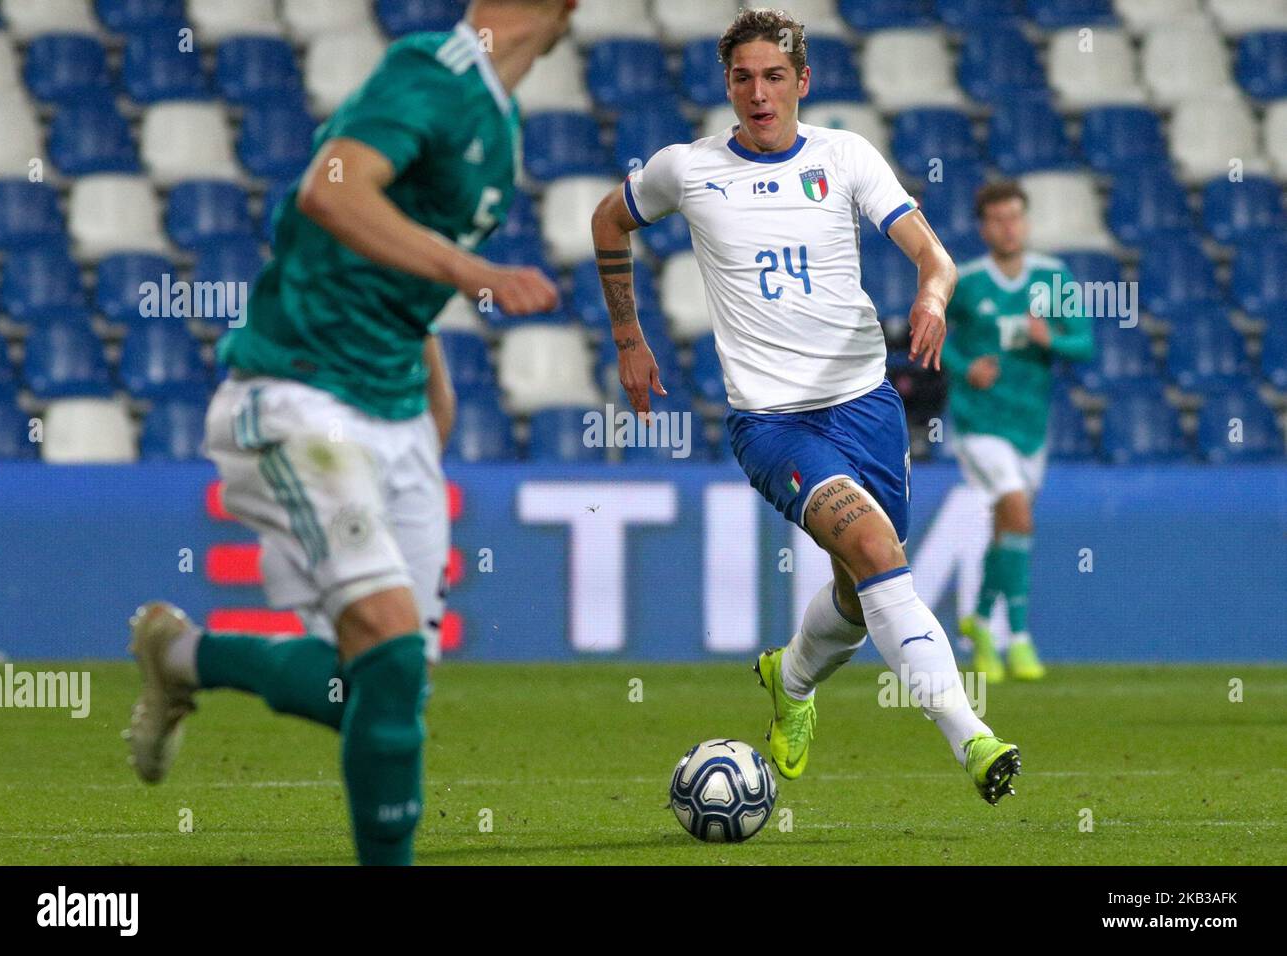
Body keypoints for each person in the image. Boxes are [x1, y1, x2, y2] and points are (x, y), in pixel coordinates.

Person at [124, 0, 575, 865]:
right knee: (388, 648)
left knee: (380, 687)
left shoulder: (497, 122)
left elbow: (397, 281)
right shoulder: (429, 71)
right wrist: (473, 271)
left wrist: (426, 400)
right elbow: (330, 189)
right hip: (301, 394)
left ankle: (180, 656)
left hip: (393, 407)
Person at [590, 8, 1020, 803]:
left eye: (774, 77)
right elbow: (608, 218)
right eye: (743, 78)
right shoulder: (686, 169)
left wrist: (933, 291)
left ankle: (788, 681)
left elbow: (934, 254)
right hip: (774, 423)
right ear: (727, 84)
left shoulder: (844, 155)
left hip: (867, 406)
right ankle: (975, 739)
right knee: (876, 549)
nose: (759, 93)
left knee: (861, 593)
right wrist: (627, 338)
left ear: (803, 82)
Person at [945, 180, 1094, 681]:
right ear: (983, 227)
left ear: (1026, 222)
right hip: (979, 422)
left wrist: (1049, 336)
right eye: (998, 219)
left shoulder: (1054, 277)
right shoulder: (964, 280)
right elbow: (934, 338)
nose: (1008, 227)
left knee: (1006, 528)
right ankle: (1022, 638)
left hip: (1030, 424)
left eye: (1015, 217)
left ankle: (982, 623)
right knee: (1018, 512)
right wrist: (966, 367)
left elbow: (1085, 343)